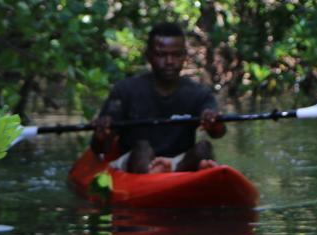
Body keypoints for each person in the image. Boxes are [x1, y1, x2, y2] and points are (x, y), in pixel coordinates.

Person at [90, 22, 227, 174]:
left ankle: (171, 171)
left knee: (204, 148)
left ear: (184, 57)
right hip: (134, 163)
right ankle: (154, 173)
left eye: (176, 55)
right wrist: (102, 135)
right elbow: (100, 148)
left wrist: (214, 123)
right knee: (143, 148)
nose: (169, 61)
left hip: (179, 161)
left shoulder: (198, 93)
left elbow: (218, 133)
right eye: (161, 55)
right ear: (148, 56)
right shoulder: (125, 90)